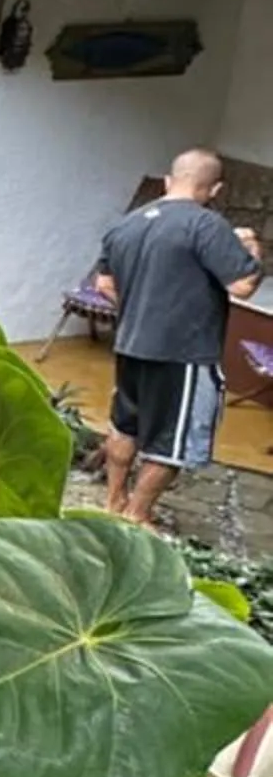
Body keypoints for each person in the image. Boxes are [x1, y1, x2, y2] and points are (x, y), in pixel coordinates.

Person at [93, 150, 261, 525]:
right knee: (175, 442)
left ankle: (114, 503)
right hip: (182, 353)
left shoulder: (127, 224)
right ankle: (138, 515)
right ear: (214, 188)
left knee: (125, 425)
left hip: (131, 344)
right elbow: (243, 284)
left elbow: (104, 285)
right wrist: (251, 248)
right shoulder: (207, 225)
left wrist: (141, 307)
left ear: (169, 181)